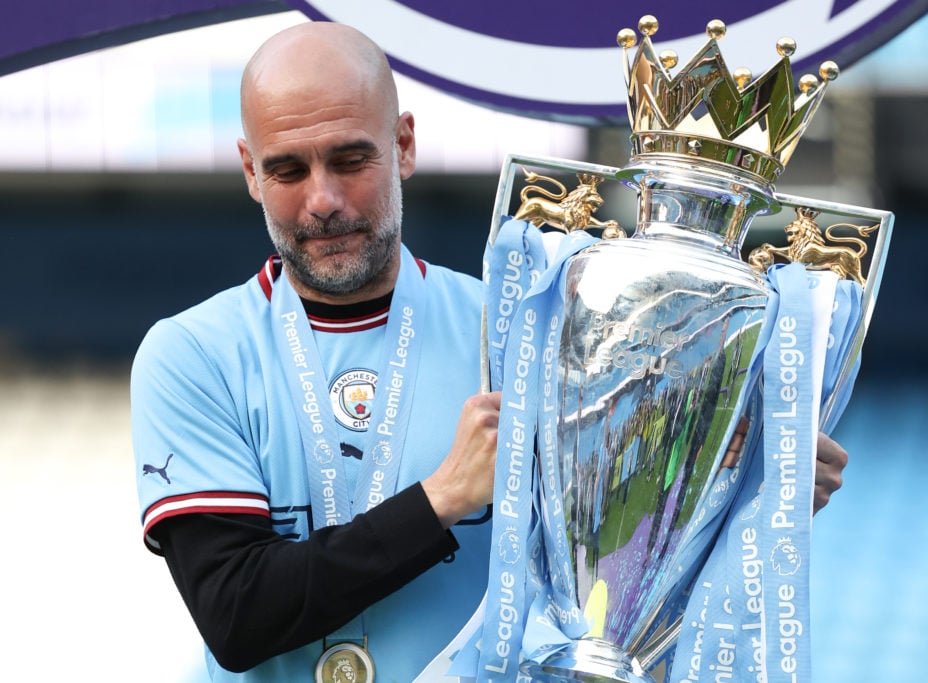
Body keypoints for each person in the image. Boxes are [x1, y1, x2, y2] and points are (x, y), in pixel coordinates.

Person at [131, 20, 849, 682]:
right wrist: (443, 499)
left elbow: (612, 586)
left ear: (404, 144)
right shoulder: (194, 355)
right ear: (251, 171)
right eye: (288, 170)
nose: (322, 199)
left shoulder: (524, 332)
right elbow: (237, 614)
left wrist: (744, 495)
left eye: (351, 159)